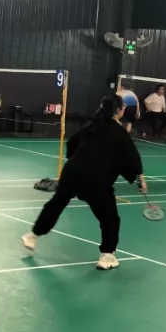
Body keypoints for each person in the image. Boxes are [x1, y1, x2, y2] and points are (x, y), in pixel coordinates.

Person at [22, 94, 146, 270]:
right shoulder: (119, 132)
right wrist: (141, 181)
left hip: (71, 173)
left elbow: (72, 143)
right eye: (123, 107)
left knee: (56, 205)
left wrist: (78, 162)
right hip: (96, 179)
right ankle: (107, 256)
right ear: (118, 111)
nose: (124, 110)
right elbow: (133, 158)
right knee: (110, 218)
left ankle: (32, 236)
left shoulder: (92, 127)